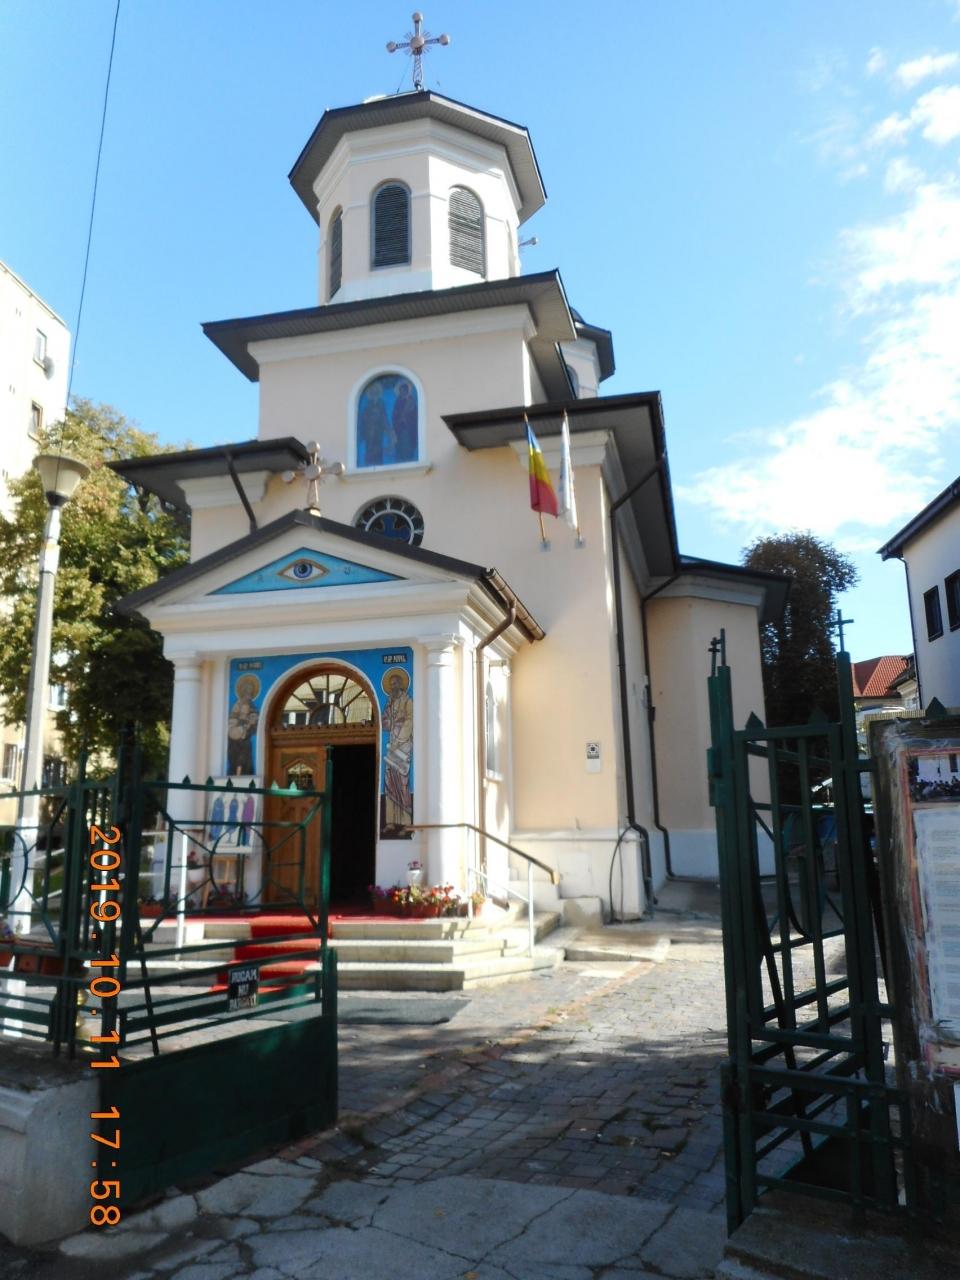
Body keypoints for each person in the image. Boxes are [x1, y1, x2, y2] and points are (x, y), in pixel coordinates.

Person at [382, 669, 413, 830]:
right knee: (389, 782)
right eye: (391, 684)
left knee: (402, 783)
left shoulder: (408, 701)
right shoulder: (390, 702)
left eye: (395, 684)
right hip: (392, 745)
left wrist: (400, 738)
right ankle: (390, 822)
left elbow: (410, 720)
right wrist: (388, 721)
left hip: (403, 745)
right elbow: (385, 722)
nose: (392, 687)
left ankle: (406, 823)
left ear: (401, 685)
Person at [392, 379, 417, 462]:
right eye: (401, 390)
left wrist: (407, 418)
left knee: (408, 443)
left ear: (407, 391)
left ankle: (408, 458)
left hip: (409, 427)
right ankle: (401, 459)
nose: (403, 392)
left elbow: (415, 414)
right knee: (400, 443)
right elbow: (395, 415)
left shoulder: (411, 401)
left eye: (404, 390)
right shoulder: (397, 401)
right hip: (399, 427)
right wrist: (397, 421)